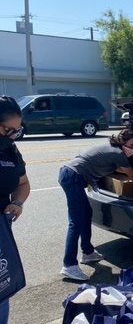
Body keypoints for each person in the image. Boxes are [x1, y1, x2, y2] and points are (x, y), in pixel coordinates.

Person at [58, 129, 133, 281]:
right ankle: (69, 265)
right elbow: (131, 175)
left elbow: (118, 169)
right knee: (76, 222)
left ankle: (87, 252)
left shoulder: (111, 148)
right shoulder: (118, 153)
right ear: (122, 142)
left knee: (86, 214)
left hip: (70, 174)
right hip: (74, 177)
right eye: (131, 145)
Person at [0, 96, 31, 324]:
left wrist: (17, 203)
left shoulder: (11, 150)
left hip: (2, 230)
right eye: (7, 130)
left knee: (2, 291)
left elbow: (23, 183)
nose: (12, 136)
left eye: (16, 132)